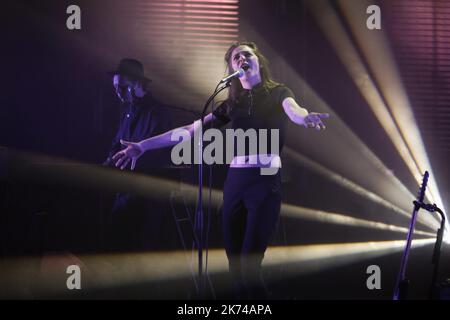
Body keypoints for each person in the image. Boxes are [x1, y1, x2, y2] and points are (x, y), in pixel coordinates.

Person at [112, 43, 329, 298]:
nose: (242, 58)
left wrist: (305, 118)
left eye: (247, 54)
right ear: (231, 68)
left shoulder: (279, 92)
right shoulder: (231, 104)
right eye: (236, 57)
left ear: (258, 60)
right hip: (235, 182)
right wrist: (143, 146)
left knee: (249, 264)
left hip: (264, 182)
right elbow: (189, 131)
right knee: (235, 266)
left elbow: (294, 110)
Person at [103, 58, 173, 253]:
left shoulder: (158, 112)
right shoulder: (127, 111)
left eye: (123, 87)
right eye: (116, 87)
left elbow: (159, 153)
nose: (118, 92)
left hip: (147, 194)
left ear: (138, 84)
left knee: (143, 246)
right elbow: (117, 143)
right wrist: (108, 162)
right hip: (126, 189)